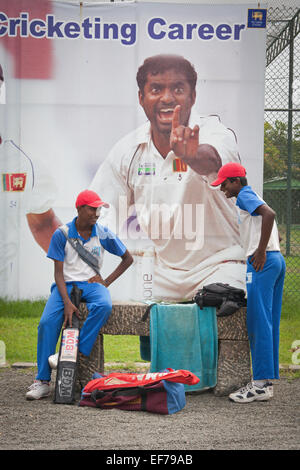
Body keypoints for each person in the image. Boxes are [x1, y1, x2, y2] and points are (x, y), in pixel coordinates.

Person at [89, 54, 246, 301]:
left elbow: (214, 160)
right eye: (156, 89)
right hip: (161, 271)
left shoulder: (215, 132)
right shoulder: (128, 150)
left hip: (220, 264)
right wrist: (88, 265)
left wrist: (192, 156)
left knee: (218, 307)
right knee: (99, 300)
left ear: (192, 96)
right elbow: (100, 213)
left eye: (178, 89)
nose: (167, 98)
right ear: (141, 98)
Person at [26, 189, 133, 400]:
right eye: (92, 208)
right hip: (64, 285)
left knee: (104, 305)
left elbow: (127, 258)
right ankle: (42, 381)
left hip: (92, 285)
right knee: (46, 323)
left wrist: (105, 282)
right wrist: (66, 302)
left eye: (98, 209)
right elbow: (58, 273)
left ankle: (74, 351)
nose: (97, 213)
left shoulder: (102, 233)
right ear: (80, 209)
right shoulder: (62, 233)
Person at [210, 162, 286, 403]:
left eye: (224, 184)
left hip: (263, 262)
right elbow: (268, 218)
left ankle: (261, 385)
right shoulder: (251, 195)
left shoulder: (244, 195)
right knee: (268, 320)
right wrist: (272, 241)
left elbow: (269, 215)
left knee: (258, 321)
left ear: (234, 181)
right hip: (275, 260)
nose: (222, 189)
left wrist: (261, 250)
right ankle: (266, 380)